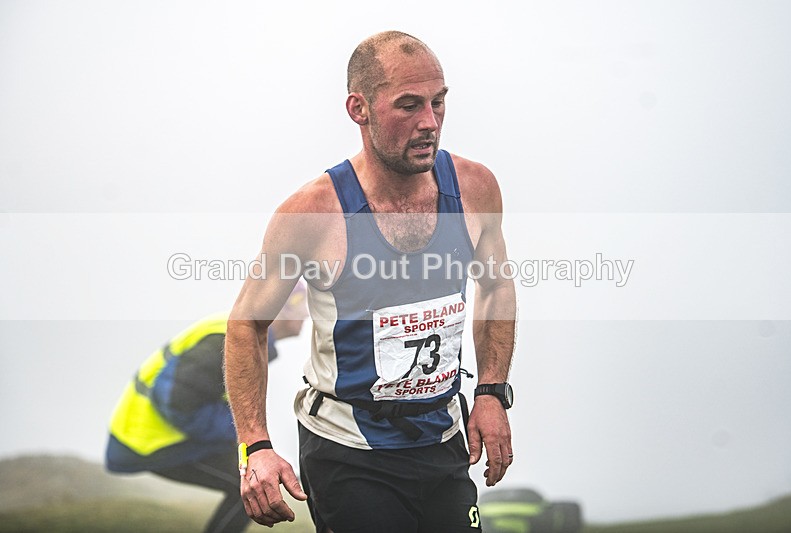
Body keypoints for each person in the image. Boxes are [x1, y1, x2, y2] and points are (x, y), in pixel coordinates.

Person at [225, 30, 517, 532]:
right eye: (408, 106)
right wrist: (256, 446)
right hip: (349, 453)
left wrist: (491, 391)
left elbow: (496, 287)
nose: (429, 123)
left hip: (443, 439)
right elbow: (246, 326)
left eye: (438, 102)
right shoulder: (313, 213)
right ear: (358, 109)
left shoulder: (473, 188)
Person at [105, 282, 308, 533]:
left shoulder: (242, 336)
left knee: (255, 479)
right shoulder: (226, 338)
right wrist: (238, 435)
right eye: (300, 304)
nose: (307, 313)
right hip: (148, 440)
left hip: (164, 435)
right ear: (276, 308)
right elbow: (179, 401)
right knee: (252, 483)